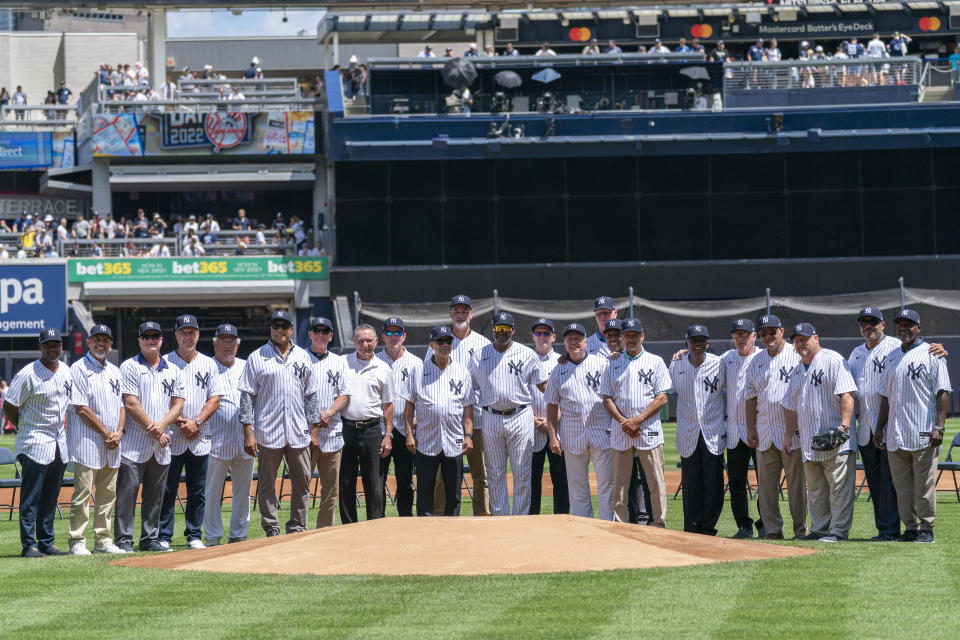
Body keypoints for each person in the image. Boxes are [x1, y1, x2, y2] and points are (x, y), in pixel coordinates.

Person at [240, 311, 320, 537]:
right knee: (266, 483)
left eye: (284, 326)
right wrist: (248, 431)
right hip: (267, 429)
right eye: (276, 326)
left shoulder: (304, 356)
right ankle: (271, 526)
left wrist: (314, 431)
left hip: (298, 430)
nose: (280, 330)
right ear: (270, 329)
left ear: (291, 329)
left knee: (302, 482)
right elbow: (247, 396)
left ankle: (297, 525)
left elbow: (311, 396)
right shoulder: (258, 356)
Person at [875, 309, 950, 543]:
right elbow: (886, 397)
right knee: (903, 487)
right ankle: (909, 528)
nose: (904, 328)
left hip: (923, 432)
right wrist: (879, 427)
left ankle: (927, 528)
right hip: (896, 433)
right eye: (900, 325)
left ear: (919, 328)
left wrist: (940, 426)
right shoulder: (891, 357)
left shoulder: (932, 354)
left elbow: (942, 392)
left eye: (909, 325)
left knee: (924, 485)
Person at [782, 322, 857, 542]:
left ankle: (838, 531)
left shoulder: (832, 360)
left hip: (835, 439)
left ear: (816, 337)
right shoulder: (797, 369)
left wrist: (843, 427)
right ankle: (820, 529)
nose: (800, 343)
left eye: (804, 338)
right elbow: (790, 405)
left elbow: (847, 395)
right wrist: (788, 435)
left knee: (839, 489)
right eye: (796, 340)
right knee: (815, 490)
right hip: (809, 441)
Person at [115, 322, 186, 553]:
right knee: (127, 494)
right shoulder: (130, 366)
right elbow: (131, 403)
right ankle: (124, 539)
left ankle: (149, 538)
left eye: (155, 335)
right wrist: (155, 430)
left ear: (162, 340)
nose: (151, 340)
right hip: (134, 443)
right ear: (139, 340)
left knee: (156, 496)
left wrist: (162, 427)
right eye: (146, 336)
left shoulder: (173, 369)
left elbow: (178, 405)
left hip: (161, 444)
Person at [469, 311, 548, 516]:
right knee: (494, 473)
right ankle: (501, 518)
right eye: (497, 328)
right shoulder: (479, 355)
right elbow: (469, 390)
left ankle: (520, 518)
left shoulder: (527, 354)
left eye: (506, 328)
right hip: (490, 416)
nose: (501, 332)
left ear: (513, 330)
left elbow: (544, 386)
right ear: (492, 330)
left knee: (522, 472)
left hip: (520, 415)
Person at [3, 329, 72, 557]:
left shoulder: (65, 371)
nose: (52, 349)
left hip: (58, 443)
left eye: (56, 344)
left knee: (51, 495)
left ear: (61, 346)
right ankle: (29, 545)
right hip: (33, 441)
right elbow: (10, 405)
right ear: (40, 347)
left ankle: (46, 542)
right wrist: (24, 427)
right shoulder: (28, 373)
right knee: (32, 496)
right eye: (47, 345)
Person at [157, 315, 223, 550]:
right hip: (172, 436)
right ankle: (164, 535)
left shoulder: (209, 363)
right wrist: (181, 422)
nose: (188, 336)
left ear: (198, 334)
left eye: (191, 332)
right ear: (175, 335)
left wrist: (195, 422)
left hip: (199, 435)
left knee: (197, 490)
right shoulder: (163, 362)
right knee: (168, 489)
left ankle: (194, 534)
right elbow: (160, 400)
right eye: (183, 332)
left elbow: (215, 399)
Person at [601, 318, 671, 526]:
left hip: (647, 429)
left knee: (655, 481)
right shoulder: (613, 363)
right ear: (621, 338)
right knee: (619, 484)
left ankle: (659, 523)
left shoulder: (655, 361)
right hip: (621, 429)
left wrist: (638, 420)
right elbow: (606, 398)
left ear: (642, 336)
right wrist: (625, 422)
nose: (630, 339)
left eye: (634, 335)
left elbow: (662, 396)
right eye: (627, 335)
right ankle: (621, 524)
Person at [427, 294, 491, 516]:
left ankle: (483, 516)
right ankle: (439, 518)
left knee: (480, 475)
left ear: (471, 314)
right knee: (443, 477)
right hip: (445, 421)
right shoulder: (439, 340)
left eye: (465, 311)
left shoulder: (483, 344)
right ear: (450, 313)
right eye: (457, 311)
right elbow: (429, 376)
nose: (461, 314)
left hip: (477, 418)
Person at [744, 315, 807, 540]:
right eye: (763, 333)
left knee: (796, 486)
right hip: (764, 432)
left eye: (772, 331)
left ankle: (800, 530)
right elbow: (750, 398)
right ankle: (772, 530)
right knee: (767, 488)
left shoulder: (796, 354)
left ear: (781, 331)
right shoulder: (756, 360)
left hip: (792, 433)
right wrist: (751, 429)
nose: (768, 336)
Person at [65, 324, 126, 555]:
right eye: (97, 339)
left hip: (113, 443)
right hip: (87, 441)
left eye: (106, 340)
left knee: (108, 495)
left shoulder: (114, 370)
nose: (102, 343)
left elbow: (121, 405)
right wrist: (107, 433)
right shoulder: (78, 368)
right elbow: (81, 408)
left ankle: (103, 540)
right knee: (82, 494)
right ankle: (77, 540)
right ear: (89, 342)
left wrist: (119, 431)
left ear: (111, 344)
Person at [545, 322, 614, 519]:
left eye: (577, 339)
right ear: (564, 343)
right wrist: (553, 437)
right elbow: (551, 405)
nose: (574, 343)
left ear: (586, 342)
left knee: (606, 485)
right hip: (572, 433)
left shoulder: (602, 364)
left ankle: (608, 526)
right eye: (570, 339)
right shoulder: (558, 370)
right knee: (577, 487)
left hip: (601, 431)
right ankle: (584, 528)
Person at [405, 325, 474, 516]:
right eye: (440, 341)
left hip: (454, 440)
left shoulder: (462, 371)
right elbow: (409, 405)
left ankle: (452, 532)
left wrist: (469, 435)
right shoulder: (418, 370)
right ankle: (425, 533)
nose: (445, 345)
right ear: (431, 344)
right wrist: (410, 434)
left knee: (454, 494)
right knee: (425, 492)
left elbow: (468, 407)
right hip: (426, 441)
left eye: (448, 341)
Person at [669, 325, 726, 536]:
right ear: (687, 343)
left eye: (702, 340)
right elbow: (665, 391)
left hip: (713, 430)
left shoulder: (720, 363)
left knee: (713, 483)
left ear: (708, 343)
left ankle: (709, 526)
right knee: (691, 482)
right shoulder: (676, 365)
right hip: (688, 431)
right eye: (694, 340)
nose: (698, 344)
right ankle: (691, 525)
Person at [202, 324, 255, 545]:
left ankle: (239, 534)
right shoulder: (206, 367)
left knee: (243, 492)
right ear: (215, 343)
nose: (228, 344)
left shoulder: (247, 366)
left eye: (232, 340)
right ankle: (212, 535)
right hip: (216, 439)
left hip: (245, 439)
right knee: (212, 492)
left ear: (238, 343)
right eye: (223, 340)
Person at [340, 324, 395, 523]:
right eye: (361, 341)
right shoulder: (342, 363)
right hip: (346, 429)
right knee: (345, 481)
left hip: (372, 429)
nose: (365, 345)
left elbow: (388, 405)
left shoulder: (383, 369)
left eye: (369, 340)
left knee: (375, 483)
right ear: (354, 342)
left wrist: (388, 436)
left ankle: (376, 527)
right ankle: (348, 527)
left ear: (376, 342)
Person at [720, 319, 763, 539]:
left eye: (745, 334)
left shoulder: (762, 357)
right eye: (737, 334)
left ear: (754, 336)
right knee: (736, 482)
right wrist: (682, 352)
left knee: (765, 481)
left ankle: (765, 522)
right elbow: (705, 364)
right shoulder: (726, 359)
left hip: (760, 431)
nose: (741, 338)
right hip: (735, 432)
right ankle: (744, 525)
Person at [307, 316, 351, 528]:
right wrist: (314, 418)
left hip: (332, 432)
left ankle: (324, 530)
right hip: (305, 434)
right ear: (310, 334)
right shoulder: (301, 359)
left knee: (331, 489)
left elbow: (344, 395)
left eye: (325, 331)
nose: (320, 335)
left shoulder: (339, 361)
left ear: (331, 336)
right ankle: (300, 529)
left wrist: (329, 413)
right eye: (317, 331)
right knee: (301, 486)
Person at [375, 316, 422, 517]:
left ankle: (405, 521)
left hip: (406, 428)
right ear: (383, 336)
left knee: (404, 479)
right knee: (378, 479)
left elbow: (421, 394)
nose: (393, 336)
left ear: (404, 336)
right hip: (379, 428)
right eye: (389, 332)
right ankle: (377, 521)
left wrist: (417, 419)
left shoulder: (416, 363)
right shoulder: (374, 361)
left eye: (397, 333)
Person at [528, 318, 568, 515]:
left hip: (557, 429)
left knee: (561, 477)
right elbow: (518, 393)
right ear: (532, 336)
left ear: (553, 337)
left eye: (546, 333)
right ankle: (531, 518)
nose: (542, 336)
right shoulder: (525, 359)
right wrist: (532, 419)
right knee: (531, 478)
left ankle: (561, 517)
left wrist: (553, 418)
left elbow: (567, 395)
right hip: (531, 427)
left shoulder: (562, 360)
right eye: (538, 333)